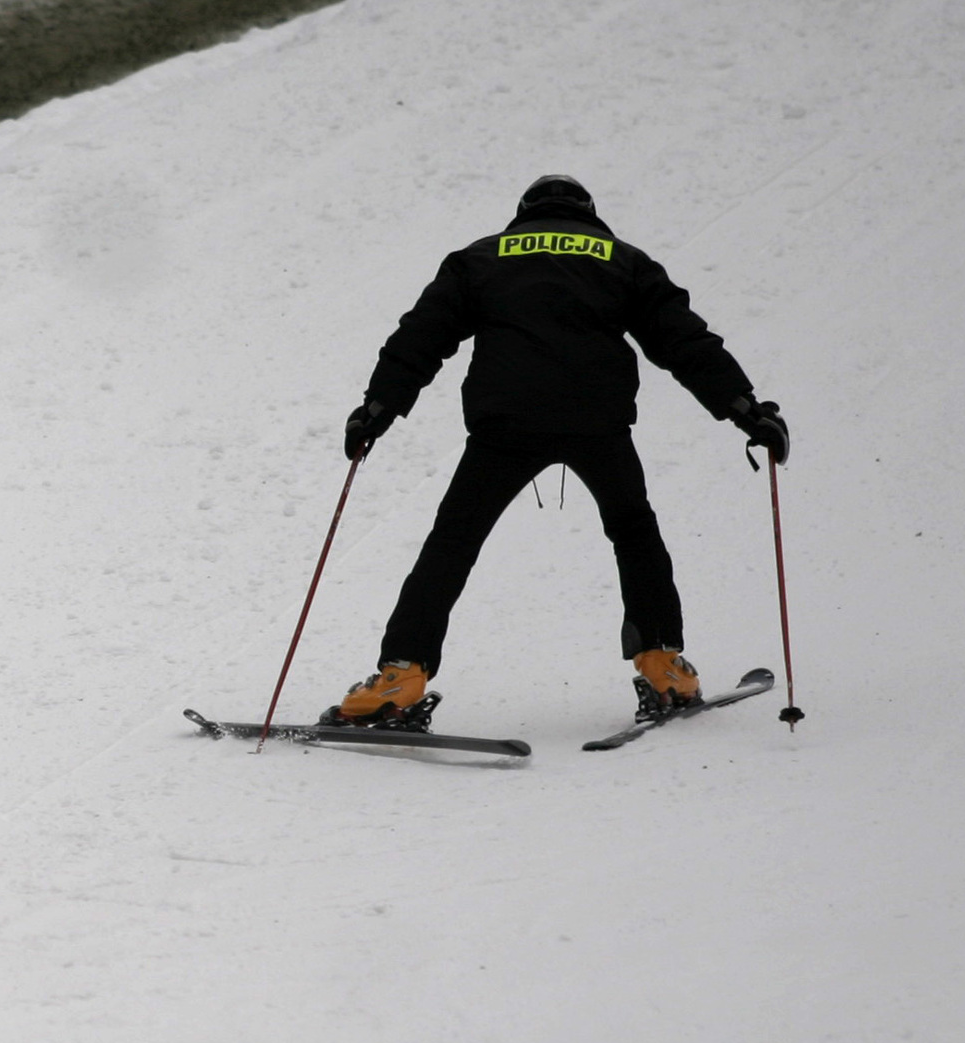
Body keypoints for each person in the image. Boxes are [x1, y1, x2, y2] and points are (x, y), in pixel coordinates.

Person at [330, 175, 788, 730]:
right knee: (634, 533)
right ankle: (663, 664)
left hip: (507, 424)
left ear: (523, 214)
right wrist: (746, 409)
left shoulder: (481, 258)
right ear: (589, 216)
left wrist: (377, 408)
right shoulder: (623, 260)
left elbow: (419, 338)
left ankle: (401, 677)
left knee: (452, 542)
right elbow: (685, 342)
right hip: (597, 423)